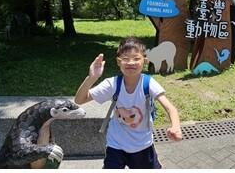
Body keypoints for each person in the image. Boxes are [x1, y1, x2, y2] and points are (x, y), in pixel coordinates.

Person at [76, 38, 182, 168]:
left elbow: (171, 108)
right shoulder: (112, 84)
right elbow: (80, 100)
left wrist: (175, 126)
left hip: (143, 145)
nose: (131, 62)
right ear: (118, 62)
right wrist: (91, 78)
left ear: (145, 60)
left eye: (136, 58)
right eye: (125, 59)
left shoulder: (148, 83)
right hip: (116, 145)